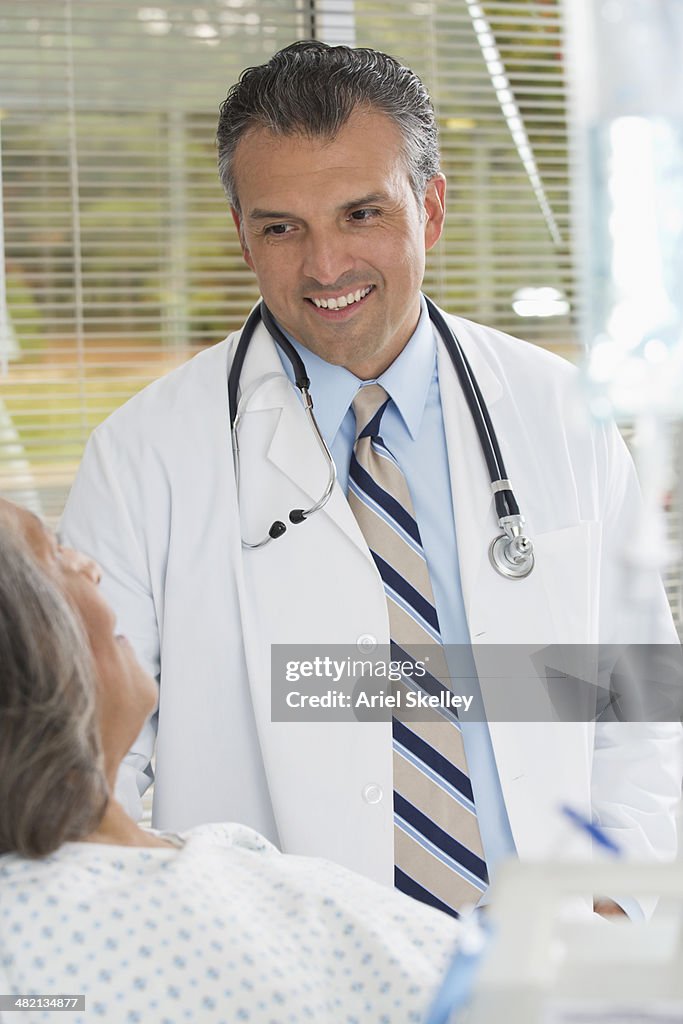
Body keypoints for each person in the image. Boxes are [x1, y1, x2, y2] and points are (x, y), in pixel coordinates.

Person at [60, 41, 682, 919]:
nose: (325, 267)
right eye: (282, 226)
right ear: (242, 236)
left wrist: (606, 910)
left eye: (361, 214)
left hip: (553, 969)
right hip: (283, 981)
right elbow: (96, 772)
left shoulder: (559, 413)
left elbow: (647, 708)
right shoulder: (143, 458)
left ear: (428, 210)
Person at [0, 498, 460, 1023]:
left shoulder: (212, 862)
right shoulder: (43, 944)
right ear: (24, 651)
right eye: (54, 556)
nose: (90, 566)